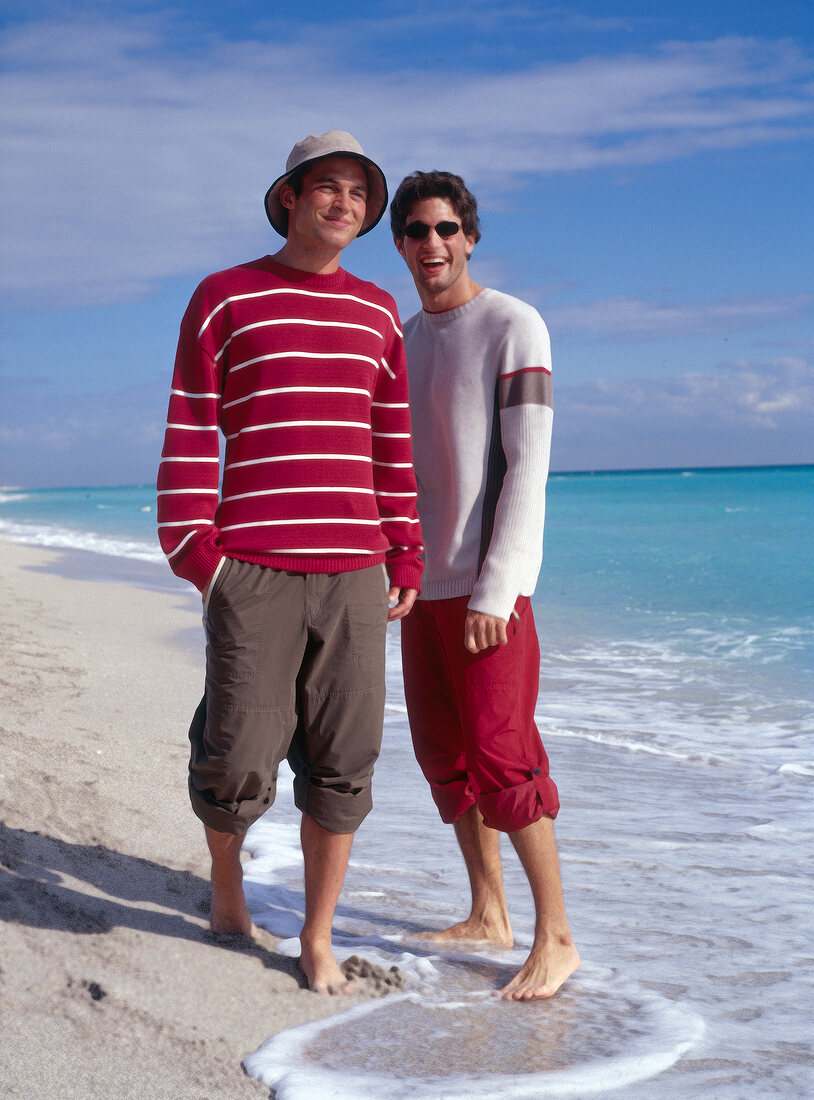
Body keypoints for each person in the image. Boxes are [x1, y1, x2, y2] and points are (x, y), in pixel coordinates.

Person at [157, 131, 422, 995]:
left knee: (345, 759)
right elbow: (194, 421)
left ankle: (316, 934)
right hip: (255, 568)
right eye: (326, 187)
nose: (342, 202)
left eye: (358, 193)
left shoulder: (380, 310)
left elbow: (392, 440)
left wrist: (406, 548)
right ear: (290, 198)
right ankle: (227, 884)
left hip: (354, 570)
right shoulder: (223, 296)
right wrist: (198, 552)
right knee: (237, 752)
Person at [390, 170, 579, 1000]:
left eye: (445, 229)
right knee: (446, 757)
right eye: (415, 231)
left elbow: (528, 470)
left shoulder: (513, 324)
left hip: (484, 591)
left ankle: (558, 936)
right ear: (399, 244)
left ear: (469, 236)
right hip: (420, 588)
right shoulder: (402, 338)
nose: (431, 245)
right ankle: (487, 911)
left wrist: (497, 590)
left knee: (505, 760)